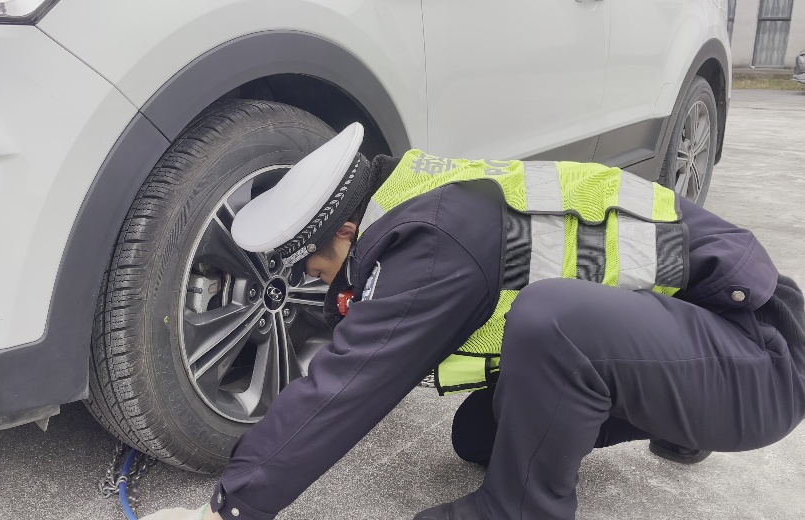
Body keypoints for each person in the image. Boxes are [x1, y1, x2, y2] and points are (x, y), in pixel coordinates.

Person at [141, 123, 805, 520]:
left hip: (760, 359)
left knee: (555, 320)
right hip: (702, 336)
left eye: (315, 266)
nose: (315, 281)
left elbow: (346, 386)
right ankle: (679, 417)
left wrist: (231, 506)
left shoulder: (437, 246)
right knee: (479, 433)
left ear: (347, 229)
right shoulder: (424, 198)